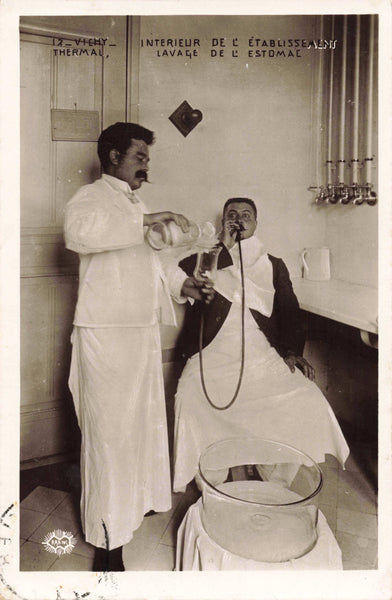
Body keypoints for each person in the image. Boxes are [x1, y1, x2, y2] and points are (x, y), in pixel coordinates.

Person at [64, 122, 205, 571]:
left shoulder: (135, 202)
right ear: (112, 158)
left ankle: (133, 508)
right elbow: (78, 235)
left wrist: (187, 285)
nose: (146, 165)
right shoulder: (90, 198)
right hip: (105, 333)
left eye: (147, 157)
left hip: (140, 331)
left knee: (141, 431)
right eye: (139, 156)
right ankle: (108, 541)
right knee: (109, 436)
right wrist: (145, 218)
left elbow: (158, 262)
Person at [173, 197, 349, 493]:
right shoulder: (208, 256)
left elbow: (291, 312)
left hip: (261, 352)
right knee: (191, 397)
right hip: (213, 352)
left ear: (256, 223)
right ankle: (213, 483)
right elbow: (183, 271)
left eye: (245, 215)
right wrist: (225, 248)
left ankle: (274, 479)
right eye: (232, 215)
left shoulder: (273, 265)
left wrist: (292, 351)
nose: (239, 219)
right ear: (223, 223)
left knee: (305, 398)